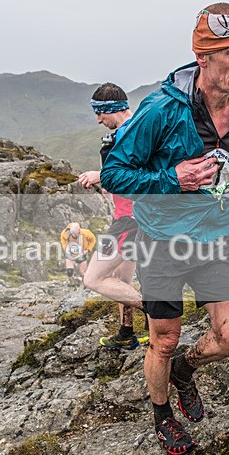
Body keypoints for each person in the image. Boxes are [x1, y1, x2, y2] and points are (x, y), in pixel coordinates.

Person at [100, 2, 229, 455]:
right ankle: (162, 413)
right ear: (203, 58)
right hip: (161, 244)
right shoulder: (160, 109)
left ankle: (185, 370)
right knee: (163, 339)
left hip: (216, 241)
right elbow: (115, 173)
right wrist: (170, 180)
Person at [77, 83, 148, 349]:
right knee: (121, 279)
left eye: (100, 113)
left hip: (129, 219)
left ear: (112, 109)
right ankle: (126, 333)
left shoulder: (131, 134)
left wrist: (102, 176)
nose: (97, 120)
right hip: (127, 216)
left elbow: (137, 176)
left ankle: (156, 311)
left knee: (93, 278)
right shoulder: (128, 131)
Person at [59, 222, 96, 287]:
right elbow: (62, 240)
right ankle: (72, 283)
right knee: (69, 272)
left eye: (75, 234)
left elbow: (93, 240)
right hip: (71, 252)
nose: (74, 235)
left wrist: (88, 250)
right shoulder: (65, 233)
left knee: (82, 272)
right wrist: (65, 248)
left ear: (79, 230)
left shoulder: (86, 233)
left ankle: (86, 285)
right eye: (72, 233)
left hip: (82, 253)